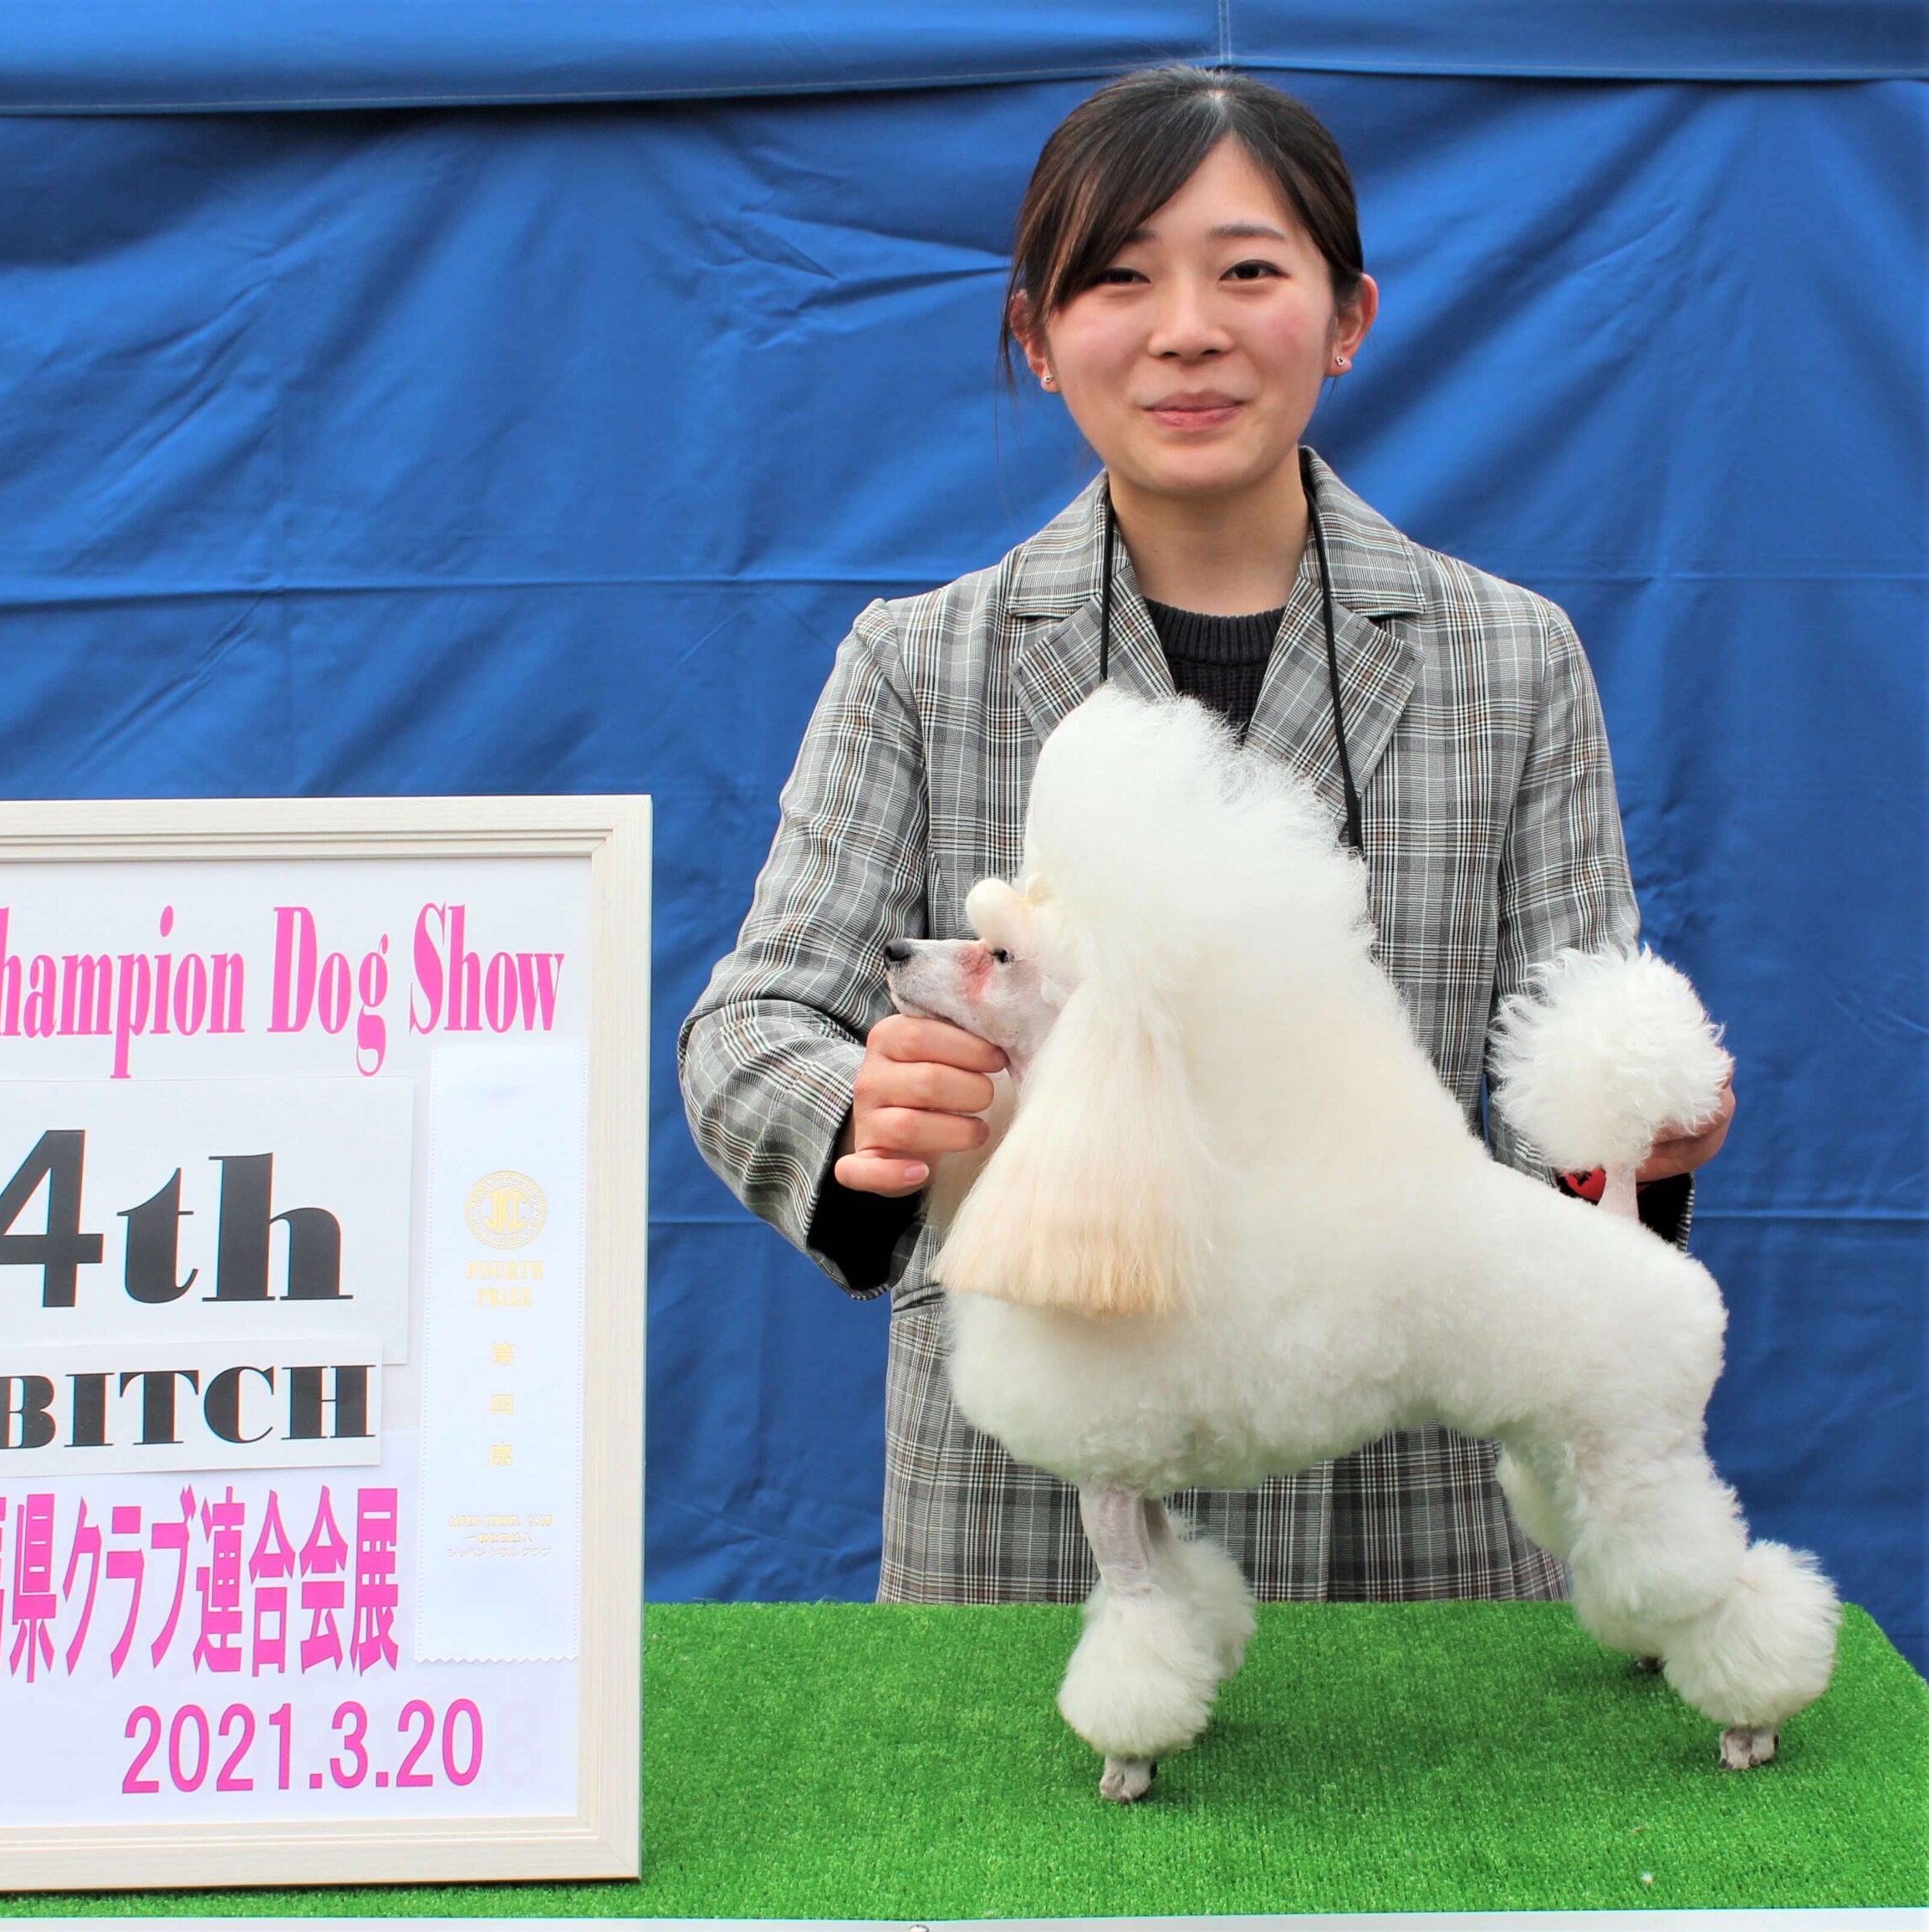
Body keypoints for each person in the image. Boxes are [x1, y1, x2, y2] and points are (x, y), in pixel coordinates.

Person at [676, 65, 1735, 1604]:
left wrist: (1626, 1142)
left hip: (1412, 1523)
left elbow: (1561, 1080)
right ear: (1037, 337)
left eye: (1247, 270)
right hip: (1032, 1528)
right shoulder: (916, 662)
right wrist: (868, 1109)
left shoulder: (1512, 659)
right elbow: (748, 1026)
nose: (1187, 328)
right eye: (1119, 278)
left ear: (1348, 317)